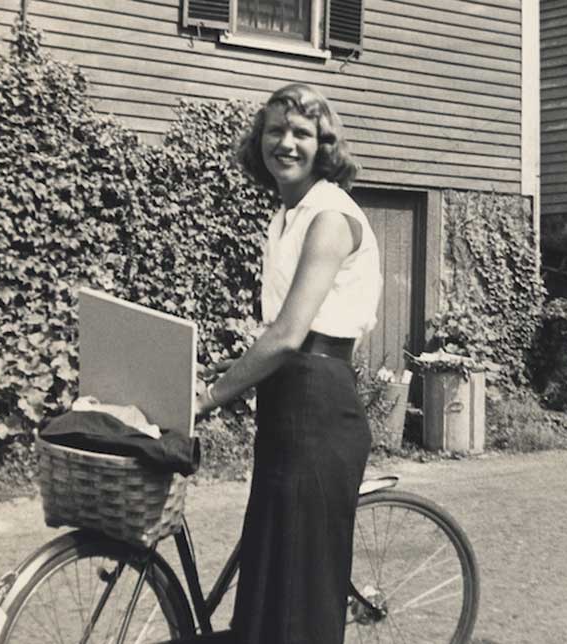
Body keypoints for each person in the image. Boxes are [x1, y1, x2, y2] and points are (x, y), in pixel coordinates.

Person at [193, 83, 382, 644]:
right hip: (287, 399)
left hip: (319, 405)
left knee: (301, 589)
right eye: (275, 130)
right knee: (273, 572)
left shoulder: (329, 217)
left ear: (324, 146)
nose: (286, 143)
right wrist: (224, 370)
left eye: (301, 132)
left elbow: (289, 335)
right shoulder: (286, 217)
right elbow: (279, 336)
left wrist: (206, 399)